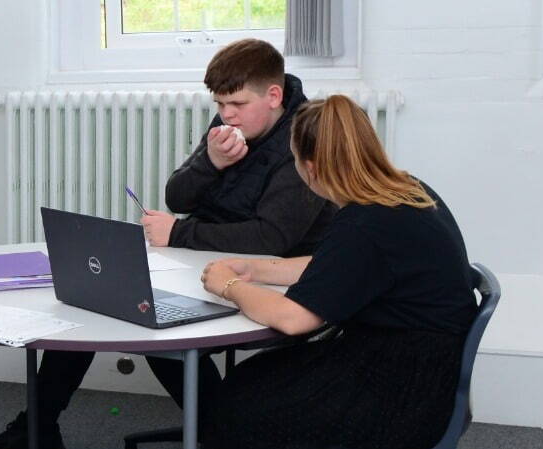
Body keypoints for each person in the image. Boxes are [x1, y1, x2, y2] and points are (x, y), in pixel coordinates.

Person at [0, 38, 334, 449]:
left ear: (273, 96)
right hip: (204, 261)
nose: (225, 116)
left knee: (156, 324)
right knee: (100, 297)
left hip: (272, 276)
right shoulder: (227, 128)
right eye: (218, 105)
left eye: (235, 104)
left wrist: (178, 233)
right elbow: (177, 197)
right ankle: (35, 429)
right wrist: (210, 163)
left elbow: (272, 239)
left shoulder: (304, 138)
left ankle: (222, 430)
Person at [196, 94, 475, 448]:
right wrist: (255, 267)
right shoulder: (403, 191)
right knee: (254, 378)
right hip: (425, 364)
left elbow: (293, 318)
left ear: (309, 168)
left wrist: (229, 284)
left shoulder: (366, 222)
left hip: (404, 389)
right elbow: (336, 266)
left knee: (240, 406)